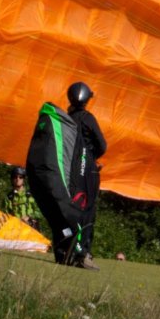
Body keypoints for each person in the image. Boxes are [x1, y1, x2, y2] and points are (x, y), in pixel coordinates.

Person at [65, 81, 107, 269]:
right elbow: (102, 145)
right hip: (88, 171)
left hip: (70, 170)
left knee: (71, 208)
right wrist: (90, 158)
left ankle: (68, 249)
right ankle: (83, 254)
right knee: (87, 211)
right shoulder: (88, 118)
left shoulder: (66, 119)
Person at [3, 166, 38, 230]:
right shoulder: (9, 197)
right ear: (12, 179)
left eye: (20, 177)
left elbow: (39, 213)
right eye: (15, 177)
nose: (18, 179)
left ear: (23, 179)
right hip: (16, 230)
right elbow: (6, 216)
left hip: (31, 230)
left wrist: (29, 217)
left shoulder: (31, 195)